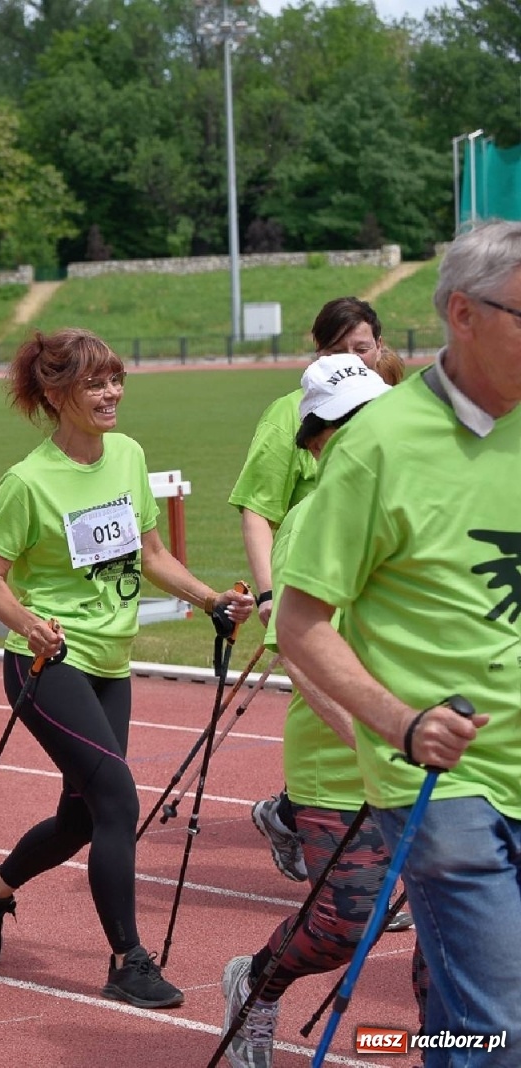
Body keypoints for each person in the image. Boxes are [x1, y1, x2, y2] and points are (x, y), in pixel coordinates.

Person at [277, 222, 521, 1068]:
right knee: (500, 1027)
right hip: (447, 783)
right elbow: (298, 621)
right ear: (464, 312)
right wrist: (400, 722)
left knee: (469, 1017)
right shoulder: (379, 446)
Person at [0, 328, 253, 1010]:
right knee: (118, 799)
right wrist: (28, 623)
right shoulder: (27, 482)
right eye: (95, 383)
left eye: (116, 378)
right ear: (57, 394)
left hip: (111, 661)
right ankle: (128, 960)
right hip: (47, 663)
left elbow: (150, 553)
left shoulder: (126, 455)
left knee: (84, 819)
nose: (112, 392)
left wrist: (212, 600)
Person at [217, 355, 427, 1068]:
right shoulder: (313, 515)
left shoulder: (421, 500)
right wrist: (376, 743)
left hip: (442, 758)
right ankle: (256, 985)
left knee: (452, 931)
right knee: (344, 925)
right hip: (342, 764)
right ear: (318, 437)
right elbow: (302, 655)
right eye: (350, 422)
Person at [227, 297, 405, 885]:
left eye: (363, 347)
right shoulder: (290, 416)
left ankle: (289, 811)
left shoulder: (400, 400)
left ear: (380, 346)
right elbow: (259, 509)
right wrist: (274, 595)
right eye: (339, 350)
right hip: (314, 570)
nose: (355, 357)